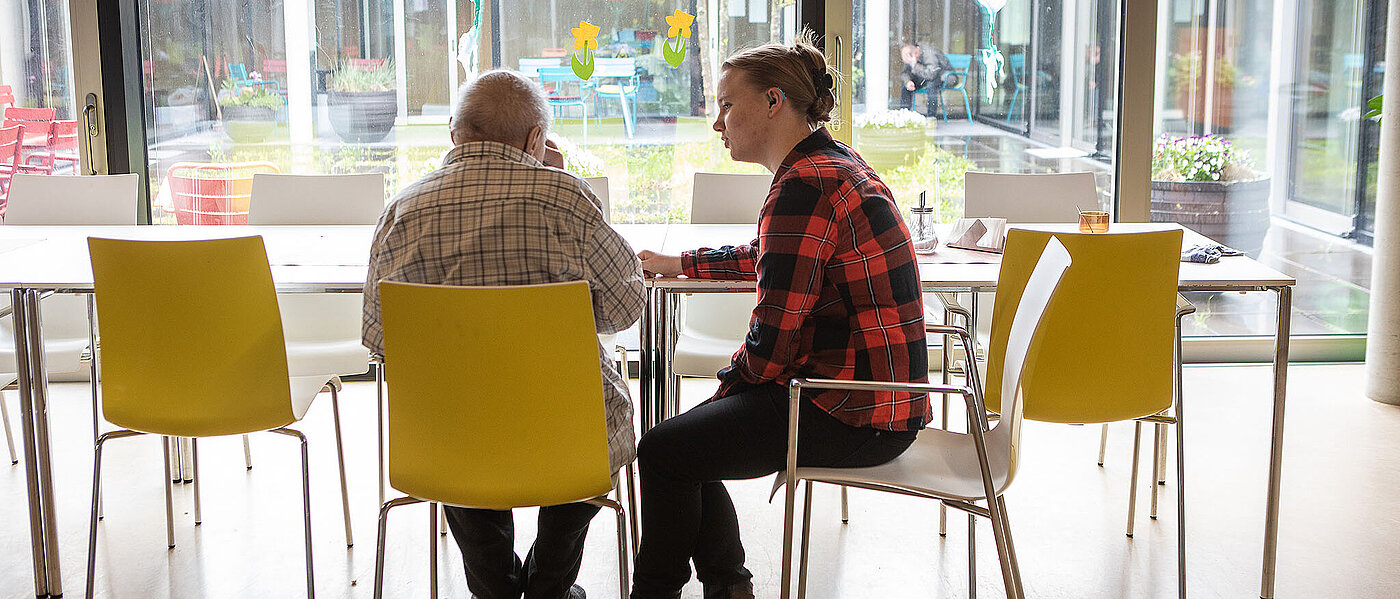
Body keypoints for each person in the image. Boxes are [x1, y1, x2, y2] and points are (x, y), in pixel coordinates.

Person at [630, 31, 931, 599]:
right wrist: (683, 263)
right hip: (880, 398)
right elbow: (775, 254)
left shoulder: (805, 185)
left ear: (774, 101)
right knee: (688, 442)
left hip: (849, 412)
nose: (717, 123)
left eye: (725, 104)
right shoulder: (829, 163)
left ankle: (664, 592)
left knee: (665, 451)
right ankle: (728, 587)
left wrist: (725, 388)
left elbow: (769, 347)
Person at [362, 69, 645, 599]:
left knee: (455, 427)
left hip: (446, 436)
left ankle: (494, 587)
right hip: (567, 430)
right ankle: (549, 586)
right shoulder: (566, 198)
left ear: (454, 133)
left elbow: (381, 340)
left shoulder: (400, 211)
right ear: (537, 139)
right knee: (591, 433)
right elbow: (627, 306)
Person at [899, 42, 955, 116]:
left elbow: (932, 74)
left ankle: (931, 116)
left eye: (908, 61)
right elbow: (904, 73)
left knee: (931, 85)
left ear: (916, 54)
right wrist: (908, 81)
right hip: (925, 77)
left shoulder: (929, 53)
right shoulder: (911, 57)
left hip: (943, 76)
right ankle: (904, 113)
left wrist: (915, 65)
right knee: (906, 85)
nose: (907, 62)